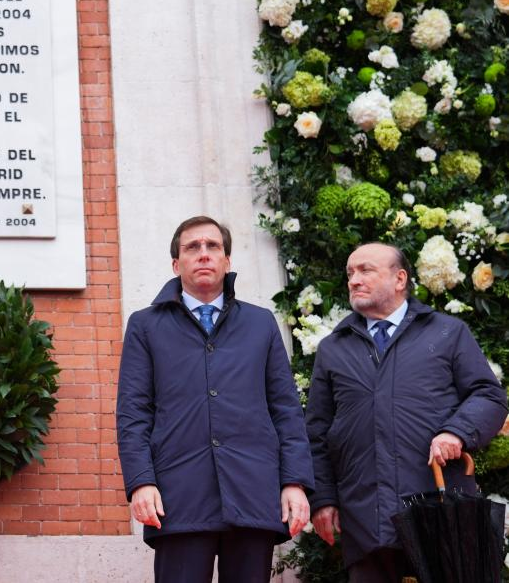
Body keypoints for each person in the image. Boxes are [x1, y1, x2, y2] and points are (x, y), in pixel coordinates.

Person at [116, 215, 313, 582]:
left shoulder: (260, 323)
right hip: (179, 495)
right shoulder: (145, 326)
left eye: (213, 247)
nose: (203, 254)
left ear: (227, 260)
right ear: (177, 264)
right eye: (192, 247)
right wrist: (141, 481)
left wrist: (294, 482)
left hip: (252, 490)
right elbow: (133, 412)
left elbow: (286, 409)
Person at [306, 242, 508, 583]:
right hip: (364, 516)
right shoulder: (332, 349)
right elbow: (317, 432)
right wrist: (323, 500)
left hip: (442, 511)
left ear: (400, 279)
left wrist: (456, 432)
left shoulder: (447, 332)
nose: (354, 280)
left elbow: (489, 395)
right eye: (350, 273)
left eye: (365, 270)